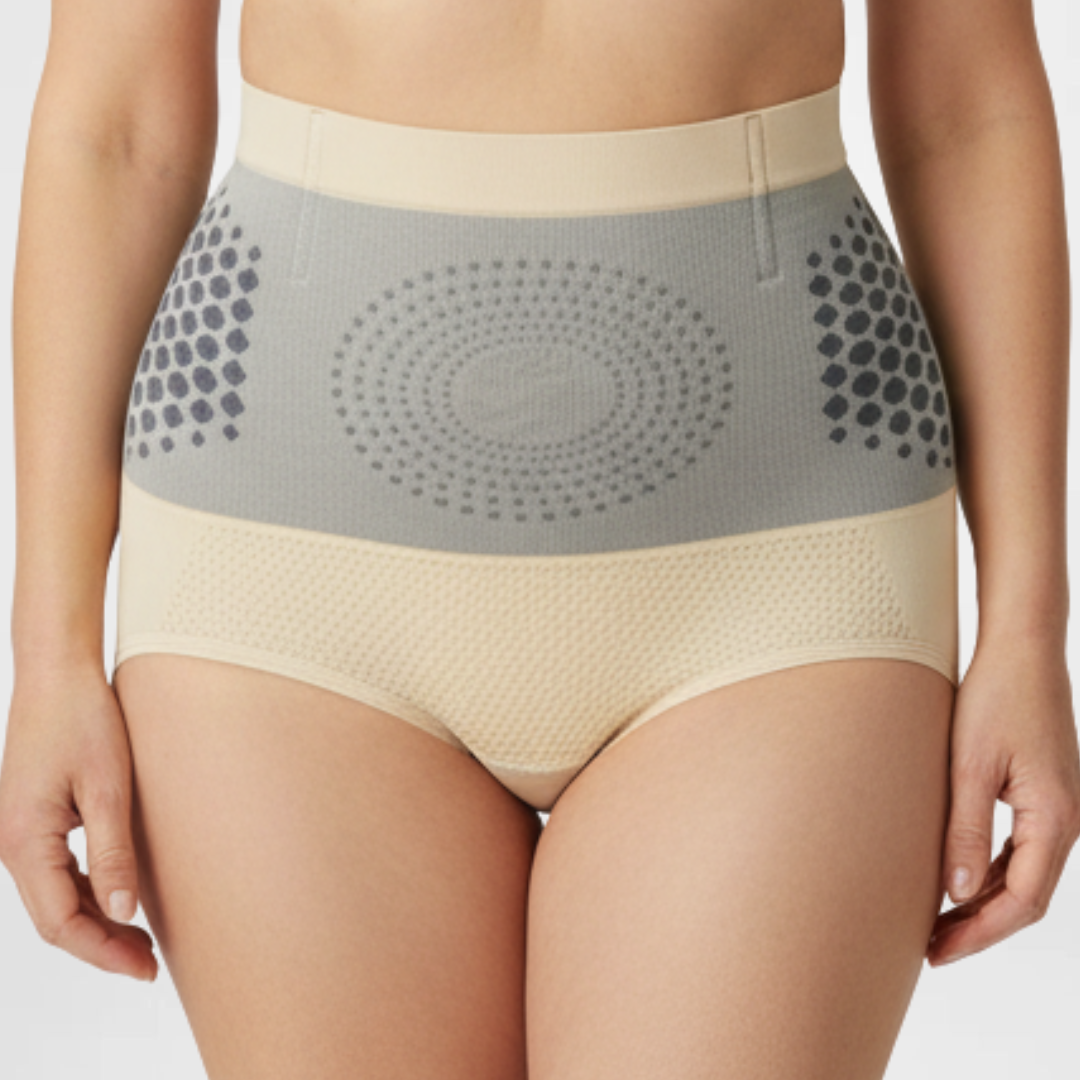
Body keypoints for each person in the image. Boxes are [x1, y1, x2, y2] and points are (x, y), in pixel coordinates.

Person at [2, 0, 1078, 1076]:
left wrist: (1028, 629)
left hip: (783, 556)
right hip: (284, 566)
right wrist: (48, 654)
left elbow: (967, 112)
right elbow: (116, 128)